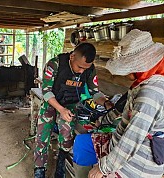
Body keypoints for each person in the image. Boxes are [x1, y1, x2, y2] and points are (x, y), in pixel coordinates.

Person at [73, 29, 164, 178]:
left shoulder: (150, 94)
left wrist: (102, 168)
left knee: (94, 173)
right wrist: (102, 120)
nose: (125, 74)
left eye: (127, 68)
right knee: (82, 144)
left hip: (139, 163)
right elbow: (120, 110)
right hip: (120, 143)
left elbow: (131, 141)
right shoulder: (143, 84)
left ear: (137, 67)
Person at [34, 43, 114, 178]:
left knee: (66, 132)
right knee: (43, 134)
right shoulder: (55, 64)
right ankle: (39, 169)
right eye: (80, 67)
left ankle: (61, 163)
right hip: (51, 103)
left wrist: (106, 103)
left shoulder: (89, 69)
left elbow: (95, 93)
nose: (82, 71)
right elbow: (46, 92)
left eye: (85, 68)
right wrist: (60, 109)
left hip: (71, 104)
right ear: (72, 57)